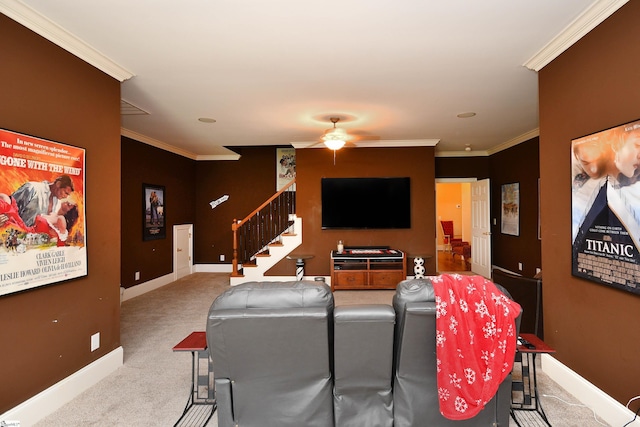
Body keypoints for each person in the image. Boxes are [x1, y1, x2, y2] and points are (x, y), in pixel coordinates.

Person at [0, 193, 79, 247]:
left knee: (4, 206)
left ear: (69, 213)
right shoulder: (52, 213)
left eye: (70, 206)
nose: (69, 203)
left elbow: (60, 243)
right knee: (4, 198)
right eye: (70, 203)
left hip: (27, 235)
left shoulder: (61, 220)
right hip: (25, 228)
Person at [7, 175, 75, 228]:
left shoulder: (56, 202)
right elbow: (8, 206)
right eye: (65, 193)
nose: (66, 197)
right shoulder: (32, 188)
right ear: (58, 184)